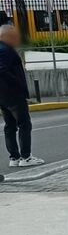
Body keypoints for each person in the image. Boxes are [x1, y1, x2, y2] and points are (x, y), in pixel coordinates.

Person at [0, 25, 43, 167]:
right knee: (24, 123)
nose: (16, 38)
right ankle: (26, 157)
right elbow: (2, 69)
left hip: (3, 95)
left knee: (10, 125)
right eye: (13, 35)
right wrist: (17, 84)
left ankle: (14, 158)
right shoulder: (5, 50)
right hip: (12, 93)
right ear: (5, 36)